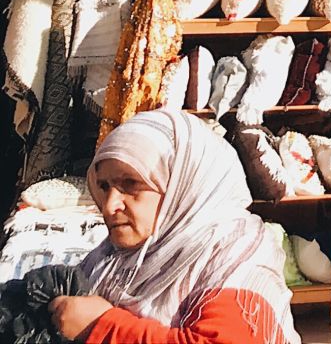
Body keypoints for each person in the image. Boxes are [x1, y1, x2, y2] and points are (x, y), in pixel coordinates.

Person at [50, 109, 298, 344]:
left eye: (131, 183)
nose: (109, 206)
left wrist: (103, 326)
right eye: (104, 187)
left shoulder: (231, 252)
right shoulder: (117, 256)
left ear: (181, 184)